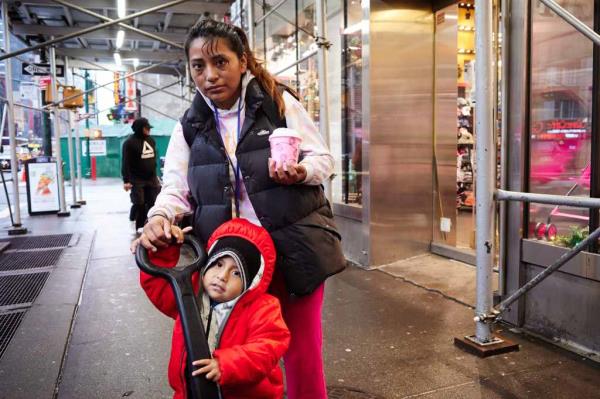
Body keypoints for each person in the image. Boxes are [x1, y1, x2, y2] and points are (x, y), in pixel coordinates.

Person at [136, 18, 346, 399]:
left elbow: (325, 160)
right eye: (199, 66)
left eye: (221, 62)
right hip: (232, 263)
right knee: (229, 355)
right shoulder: (191, 125)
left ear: (243, 61)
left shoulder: (278, 103)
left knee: (301, 354)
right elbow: (175, 187)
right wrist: (159, 217)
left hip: (294, 249)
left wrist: (300, 171)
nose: (210, 75)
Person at [141, 218, 290, 399]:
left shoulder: (263, 309)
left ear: (251, 282)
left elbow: (266, 350)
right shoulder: (191, 290)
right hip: (191, 390)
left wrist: (225, 364)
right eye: (219, 264)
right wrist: (163, 249)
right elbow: (159, 287)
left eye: (236, 273)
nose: (222, 277)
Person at [122, 117, 161, 232]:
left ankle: (151, 225)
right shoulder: (129, 143)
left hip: (151, 178)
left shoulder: (151, 140)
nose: (149, 130)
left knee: (153, 202)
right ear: (140, 128)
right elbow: (126, 162)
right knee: (139, 203)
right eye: (146, 128)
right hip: (136, 179)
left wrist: (156, 176)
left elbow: (153, 159)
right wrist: (126, 180)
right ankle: (140, 227)